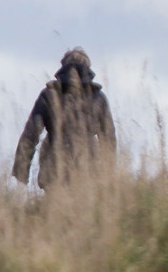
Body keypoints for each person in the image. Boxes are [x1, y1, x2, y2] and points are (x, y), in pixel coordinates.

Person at [11, 47, 116, 189]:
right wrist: (110, 176)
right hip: (90, 175)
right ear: (88, 69)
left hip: (54, 174)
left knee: (57, 211)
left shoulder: (49, 95)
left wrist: (21, 174)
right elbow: (108, 140)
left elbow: (30, 136)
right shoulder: (98, 97)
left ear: (63, 67)